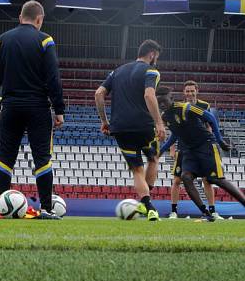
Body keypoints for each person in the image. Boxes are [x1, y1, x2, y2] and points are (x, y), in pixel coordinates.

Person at [0, 0, 64, 220]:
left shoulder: (2, 40)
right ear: (39, 20)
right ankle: (47, 209)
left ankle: (2, 207)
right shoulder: (45, 40)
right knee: (42, 157)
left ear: (20, 17)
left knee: (5, 157)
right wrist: (59, 108)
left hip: (10, 106)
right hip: (38, 106)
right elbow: (53, 77)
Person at [95, 39, 164, 221]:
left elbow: (99, 93)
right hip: (144, 126)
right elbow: (149, 95)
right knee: (153, 158)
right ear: (152, 54)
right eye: (156, 56)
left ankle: (147, 205)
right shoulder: (151, 71)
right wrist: (159, 122)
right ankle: (148, 202)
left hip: (120, 128)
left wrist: (104, 120)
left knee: (137, 170)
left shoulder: (117, 72)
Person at [156, 86, 245, 221]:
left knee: (215, 179)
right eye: (159, 102)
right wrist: (161, 151)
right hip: (189, 151)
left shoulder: (186, 108)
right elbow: (175, 134)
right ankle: (206, 213)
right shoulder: (165, 116)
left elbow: (210, 118)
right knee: (185, 177)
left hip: (206, 145)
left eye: (164, 101)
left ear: (172, 98)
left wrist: (220, 140)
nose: (162, 104)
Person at [168, 80, 222, 219]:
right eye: (187, 91)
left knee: (207, 180)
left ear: (197, 91)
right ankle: (173, 211)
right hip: (184, 148)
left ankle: (213, 211)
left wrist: (211, 145)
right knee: (177, 180)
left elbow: (209, 126)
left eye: (192, 90)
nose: (190, 93)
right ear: (183, 93)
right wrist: (172, 148)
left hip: (202, 148)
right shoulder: (178, 107)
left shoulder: (205, 106)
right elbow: (173, 129)